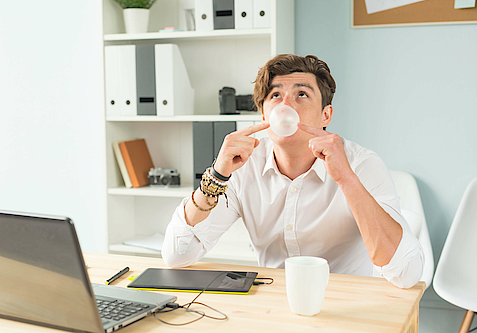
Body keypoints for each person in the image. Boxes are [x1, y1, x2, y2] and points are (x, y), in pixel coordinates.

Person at [161, 54, 424, 289]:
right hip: (273, 306)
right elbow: (177, 255)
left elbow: (406, 273)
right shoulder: (243, 165)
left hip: (346, 305)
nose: (285, 105)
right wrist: (217, 176)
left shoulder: (360, 164)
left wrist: (346, 179)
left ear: (325, 116)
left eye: (302, 94)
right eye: (275, 95)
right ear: (264, 114)